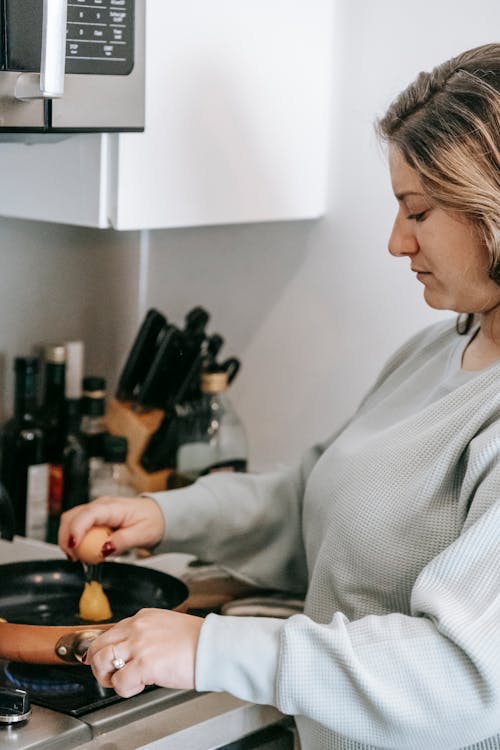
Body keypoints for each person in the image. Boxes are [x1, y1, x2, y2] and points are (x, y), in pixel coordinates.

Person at [59, 43, 500, 750]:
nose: (395, 241)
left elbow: (465, 677)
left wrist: (209, 648)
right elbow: (317, 503)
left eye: (417, 212)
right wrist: (162, 516)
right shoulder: (437, 351)